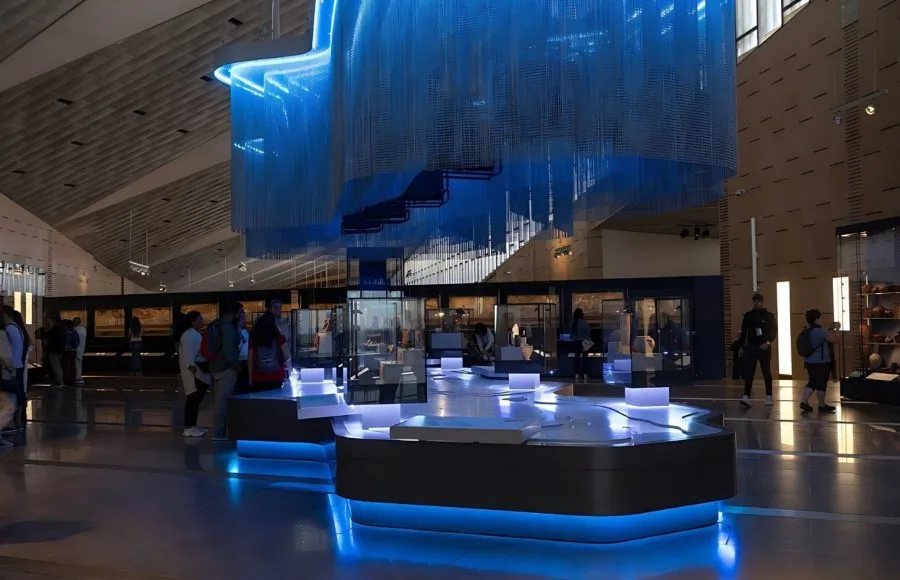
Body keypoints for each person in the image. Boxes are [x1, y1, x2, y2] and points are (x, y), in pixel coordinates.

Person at [208, 302, 243, 441]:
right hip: (226, 368)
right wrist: (236, 365)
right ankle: (219, 432)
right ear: (233, 313)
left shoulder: (216, 325)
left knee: (219, 400)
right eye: (239, 312)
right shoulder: (228, 328)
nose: (240, 315)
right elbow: (229, 351)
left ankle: (219, 430)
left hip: (216, 367)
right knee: (222, 402)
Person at [739, 293, 777, 408]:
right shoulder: (748, 316)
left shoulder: (769, 316)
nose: (756, 303)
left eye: (758, 301)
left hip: (764, 347)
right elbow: (743, 331)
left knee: (766, 371)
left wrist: (768, 342)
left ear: (762, 302)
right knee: (749, 372)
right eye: (754, 301)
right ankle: (746, 396)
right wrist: (741, 346)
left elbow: (774, 331)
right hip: (751, 348)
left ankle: (769, 396)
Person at [177, 311, 209, 437]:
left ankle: (192, 425)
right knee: (193, 400)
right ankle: (189, 426)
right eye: (199, 319)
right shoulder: (189, 335)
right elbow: (188, 355)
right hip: (194, 373)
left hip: (196, 371)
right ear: (193, 321)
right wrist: (193, 369)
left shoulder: (193, 334)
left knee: (195, 400)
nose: (202, 321)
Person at [800, 309, 838, 414]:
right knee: (821, 383)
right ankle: (821, 405)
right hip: (821, 362)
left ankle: (804, 401)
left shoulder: (808, 330)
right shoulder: (820, 331)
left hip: (809, 361)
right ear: (817, 319)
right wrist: (835, 329)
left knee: (812, 381)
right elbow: (834, 339)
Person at [249, 312, 287, 393]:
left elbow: (250, 360)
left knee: (261, 402)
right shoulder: (279, 338)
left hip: (259, 376)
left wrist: (250, 378)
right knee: (276, 400)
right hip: (277, 375)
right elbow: (287, 356)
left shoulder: (254, 339)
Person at [2, 306, 26, 432]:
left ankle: (10, 423)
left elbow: (6, 352)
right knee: (17, 394)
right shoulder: (17, 328)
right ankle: (17, 422)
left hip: (11, 367)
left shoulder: (8, 329)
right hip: (18, 365)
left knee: (10, 396)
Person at [0, 310, 18, 448]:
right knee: (8, 407)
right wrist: (12, 371)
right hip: (2, 375)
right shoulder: (1, 334)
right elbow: (6, 357)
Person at [571, 308, 593, 383]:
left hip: (575, 342)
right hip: (585, 342)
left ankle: (576, 375)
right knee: (585, 359)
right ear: (581, 314)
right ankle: (585, 375)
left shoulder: (572, 323)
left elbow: (571, 334)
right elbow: (589, 331)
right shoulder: (584, 323)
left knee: (576, 359)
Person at [45, 315, 66, 388]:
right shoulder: (63, 328)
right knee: (58, 365)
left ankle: (59, 382)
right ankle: (61, 381)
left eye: (48, 321)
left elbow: (45, 334)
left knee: (55, 365)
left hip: (54, 349)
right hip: (60, 349)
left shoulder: (53, 329)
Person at [236, 309, 250, 394]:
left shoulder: (244, 331)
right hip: (239, 360)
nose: (244, 319)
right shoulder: (235, 331)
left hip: (246, 360)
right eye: (243, 317)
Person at [62, 320, 79, 387]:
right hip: (74, 351)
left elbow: (67, 341)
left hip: (68, 351)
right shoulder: (74, 331)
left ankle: (67, 380)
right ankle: (72, 379)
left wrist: (65, 347)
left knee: (67, 366)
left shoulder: (68, 331)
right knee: (72, 365)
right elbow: (77, 341)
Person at [73, 317, 87, 385]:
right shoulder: (84, 329)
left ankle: (77, 377)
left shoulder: (75, 329)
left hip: (76, 349)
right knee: (79, 363)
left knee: (76, 364)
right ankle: (79, 377)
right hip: (82, 348)